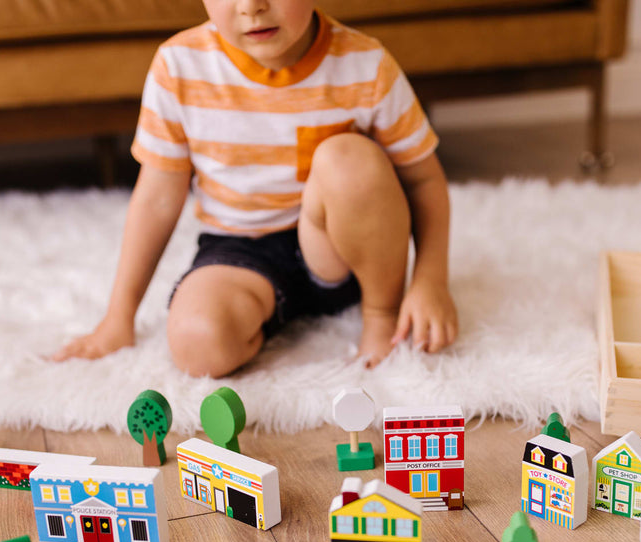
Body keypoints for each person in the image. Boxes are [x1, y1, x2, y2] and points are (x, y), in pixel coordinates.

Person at [53, 0, 457, 377]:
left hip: (338, 249)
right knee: (197, 343)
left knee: (347, 160)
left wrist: (430, 280)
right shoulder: (178, 66)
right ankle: (267, 316)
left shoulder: (365, 65)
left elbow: (423, 180)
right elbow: (157, 198)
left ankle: (381, 314)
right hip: (240, 248)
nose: (251, 6)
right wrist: (118, 317)